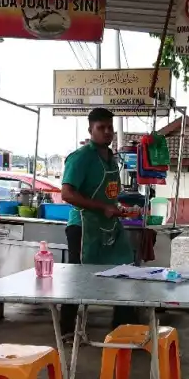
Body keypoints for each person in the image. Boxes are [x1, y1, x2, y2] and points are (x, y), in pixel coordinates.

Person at [60, 107, 139, 335]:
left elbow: (108, 194)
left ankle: (122, 329)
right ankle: (66, 330)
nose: (106, 132)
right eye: (101, 128)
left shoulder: (111, 159)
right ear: (90, 130)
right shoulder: (81, 157)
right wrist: (103, 207)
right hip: (82, 227)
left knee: (126, 269)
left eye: (109, 128)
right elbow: (67, 194)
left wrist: (118, 209)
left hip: (109, 226)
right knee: (78, 279)